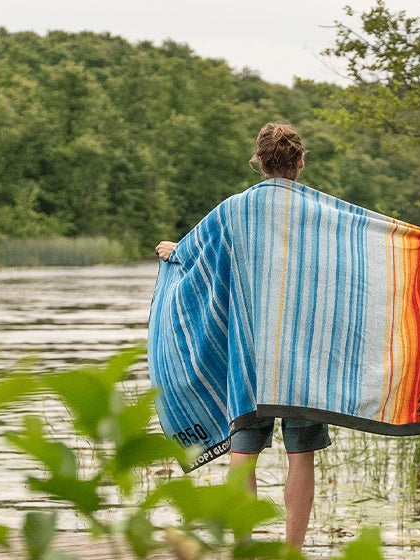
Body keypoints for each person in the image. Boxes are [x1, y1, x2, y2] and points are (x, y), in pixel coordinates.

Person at [155, 122, 331, 552]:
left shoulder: (233, 210)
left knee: (243, 453)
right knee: (300, 455)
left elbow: (191, 253)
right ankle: (291, 551)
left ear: (258, 162)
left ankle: (246, 549)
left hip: (247, 355)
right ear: (301, 162)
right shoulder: (324, 211)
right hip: (300, 352)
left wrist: (170, 250)